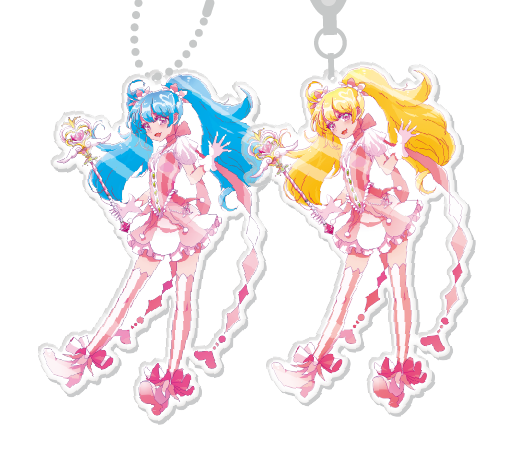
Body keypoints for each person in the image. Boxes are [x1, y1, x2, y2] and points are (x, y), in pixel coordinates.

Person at [42, 74, 261, 418]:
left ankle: (171, 376)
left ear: (172, 117)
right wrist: (132, 206)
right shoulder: (161, 149)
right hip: (158, 223)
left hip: (185, 225)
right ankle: (85, 357)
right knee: (131, 293)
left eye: (159, 120)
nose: (153, 127)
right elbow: (158, 186)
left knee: (182, 301)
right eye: (147, 123)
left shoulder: (183, 145)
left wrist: (209, 161)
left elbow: (194, 178)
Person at [271, 66, 458, 409]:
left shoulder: (369, 139)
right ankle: (315, 366)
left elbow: (386, 168)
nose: (340, 125)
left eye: (345, 116)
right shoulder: (352, 145)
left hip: (386, 218)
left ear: (356, 111)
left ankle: (398, 367)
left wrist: (398, 148)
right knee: (354, 293)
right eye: (333, 123)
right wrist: (330, 209)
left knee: (394, 290)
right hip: (364, 219)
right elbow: (352, 187)